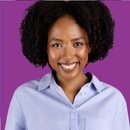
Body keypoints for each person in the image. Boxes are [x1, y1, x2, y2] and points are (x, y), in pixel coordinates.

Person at [5, 1, 130, 130]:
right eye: (57, 45)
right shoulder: (24, 97)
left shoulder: (113, 99)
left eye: (77, 44)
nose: (68, 56)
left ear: (90, 46)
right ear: (45, 48)